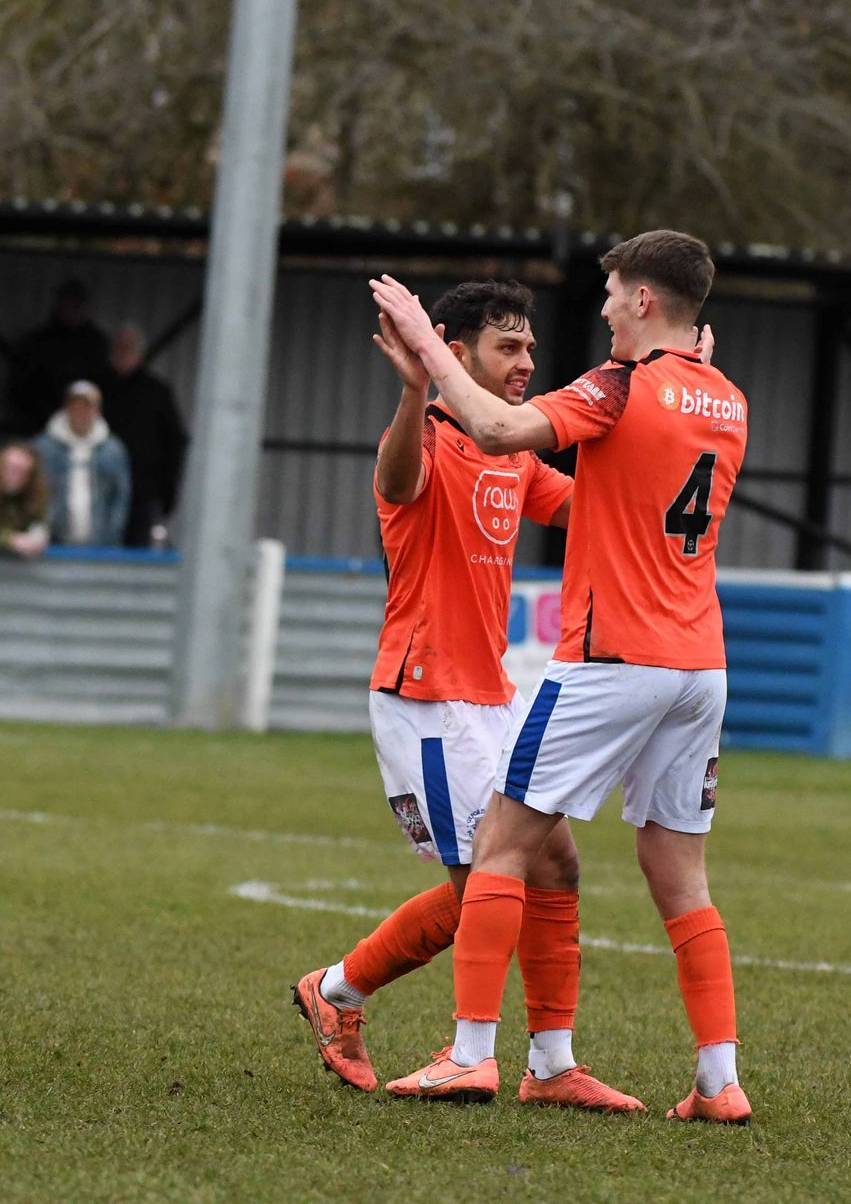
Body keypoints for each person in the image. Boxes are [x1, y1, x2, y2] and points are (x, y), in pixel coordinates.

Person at [370, 230, 753, 1123]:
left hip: (613, 656)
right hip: (701, 664)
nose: (607, 309)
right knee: (680, 875)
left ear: (645, 301)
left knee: (506, 846)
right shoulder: (727, 397)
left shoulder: (620, 385)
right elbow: (614, 491)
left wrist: (424, 348)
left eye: (614, 293)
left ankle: (471, 1055)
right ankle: (718, 1081)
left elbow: (501, 429)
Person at [291, 281, 642, 1113]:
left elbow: (590, 508)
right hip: (426, 695)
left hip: (492, 696)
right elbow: (396, 480)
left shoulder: (512, 451)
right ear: (454, 351)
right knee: (483, 886)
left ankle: (552, 1065)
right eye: (507, 347)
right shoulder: (422, 436)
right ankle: (339, 992)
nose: (525, 362)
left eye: (529, 348)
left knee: (552, 863)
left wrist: (659, 420)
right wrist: (414, 391)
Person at [101, 325, 188, 547]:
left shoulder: (156, 392)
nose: (123, 355)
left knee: (137, 548)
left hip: (142, 489)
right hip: (100, 489)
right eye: (119, 348)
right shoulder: (97, 390)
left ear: (140, 355)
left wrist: (169, 491)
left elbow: (173, 442)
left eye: (129, 349)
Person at [33, 381, 129, 547]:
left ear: (97, 410)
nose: (80, 412)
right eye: (75, 406)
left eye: (87, 407)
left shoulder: (112, 449)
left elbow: (120, 495)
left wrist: (113, 532)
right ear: (66, 408)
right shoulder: (44, 447)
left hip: (100, 541)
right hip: (53, 541)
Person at [9, 280, 112, 433]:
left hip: (85, 428)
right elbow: (20, 387)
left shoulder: (96, 343)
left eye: (76, 304)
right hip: (42, 424)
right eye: (67, 303)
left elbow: (104, 386)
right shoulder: (37, 341)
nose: (71, 309)